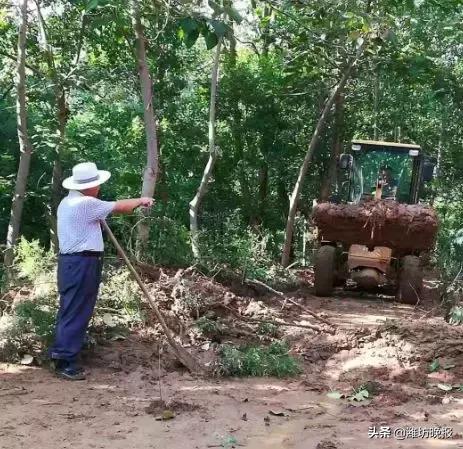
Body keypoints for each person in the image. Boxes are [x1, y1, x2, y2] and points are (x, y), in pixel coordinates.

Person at [49, 162, 153, 380]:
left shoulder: (67, 202)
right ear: (88, 186)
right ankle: (64, 361)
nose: (99, 188)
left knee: (71, 308)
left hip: (73, 263)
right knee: (76, 309)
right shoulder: (85, 203)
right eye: (96, 185)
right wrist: (141, 201)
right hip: (81, 263)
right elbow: (121, 207)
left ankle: (63, 354)